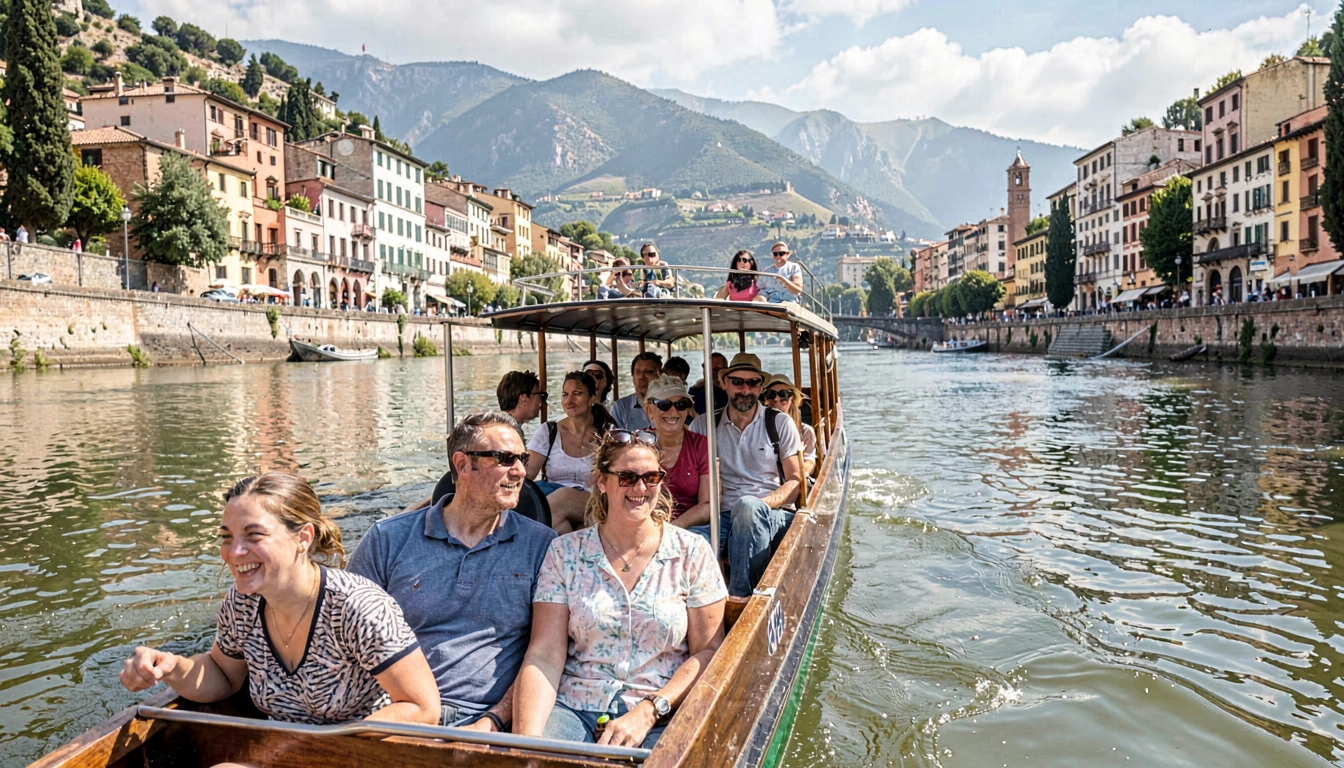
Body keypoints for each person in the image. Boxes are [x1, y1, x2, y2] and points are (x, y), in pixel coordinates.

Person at [120, 473, 440, 727]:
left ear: (303, 538)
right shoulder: (242, 603)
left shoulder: (359, 607)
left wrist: (324, 747)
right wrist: (172, 666)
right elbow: (224, 675)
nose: (234, 552)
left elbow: (423, 707)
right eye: (226, 537)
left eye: (254, 535)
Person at [514, 432, 726, 749]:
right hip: (574, 709)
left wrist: (651, 709)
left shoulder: (692, 552)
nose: (640, 488)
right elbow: (544, 654)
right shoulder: (564, 553)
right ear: (602, 481)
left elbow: (708, 652)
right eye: (626, 477)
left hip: (661, 712)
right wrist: (526, 745)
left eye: (650, 477)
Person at [348, 413, 557, 730]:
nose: (520, 471)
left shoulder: (542, 545)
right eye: (505, 458)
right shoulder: (387, 539)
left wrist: (492, 720)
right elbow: (347, 637)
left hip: (485, 719)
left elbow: (544, 653)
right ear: (462, 464)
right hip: (394, 715)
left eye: (523, 458)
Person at [690, 352, 803, 599]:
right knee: (686, 540)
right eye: (738, 382)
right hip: (722, 516)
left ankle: (739, 600)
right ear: (724, 383)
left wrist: (761, 505)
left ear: (760, 387)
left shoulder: (779, 423)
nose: (745, 389)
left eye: (752, 383)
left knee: (747, 508)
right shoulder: (702, 425)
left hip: (773, 513)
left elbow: (795, 481)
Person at [526, 371, 614, 534]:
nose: (569, 400)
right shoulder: (549, 431)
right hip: (555, 505)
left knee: (561, 498)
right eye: (565, 395)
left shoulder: (608, 434)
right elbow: (527, 474)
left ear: (592, 398)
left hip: (594, 502)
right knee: (571, 524)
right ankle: (575, 550)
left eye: (577, 394)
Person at [643, 375, 713, 542]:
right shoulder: (637, 444)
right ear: (649, 410)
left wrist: (673, 527)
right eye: (664, 405)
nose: (673, 412)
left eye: (681, 405)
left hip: (691, 527)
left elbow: (708, 504)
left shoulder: (702, 445)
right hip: (645, 522)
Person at [762, 373, 816, 477]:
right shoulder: (757, 428)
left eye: (783, 394)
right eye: (771, 394)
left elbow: (810, 462)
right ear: (766, 400)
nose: (776, 399)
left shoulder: (805, 431)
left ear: (792, 399)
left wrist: (798, 476)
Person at [610, 351, 662, 430]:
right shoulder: (620, 408)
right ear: (633, 377)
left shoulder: (671, 405)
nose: (642, 377)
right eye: (638, 372)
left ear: (660, 376)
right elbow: (615, 440)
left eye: (649, 371)